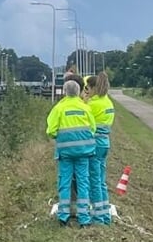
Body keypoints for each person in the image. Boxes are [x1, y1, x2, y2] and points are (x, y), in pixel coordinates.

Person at [46, 78, 96, 227]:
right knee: (83, 183)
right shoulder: (85, 108)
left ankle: (63, 216)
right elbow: (92, 129)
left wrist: (60, 136)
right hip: (83, 152)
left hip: (66, 153)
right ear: (79, 91)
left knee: (65, 183)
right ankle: (84, 218)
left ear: (65, 92)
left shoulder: (59, 108)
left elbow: (51, 130)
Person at [86, 72, 115, 225]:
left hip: (94, 143)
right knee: (102, 181)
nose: (86, 91)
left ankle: (97, 217)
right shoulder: (108, 102)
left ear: (94, 88)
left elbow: (85, 122)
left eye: (87, 88)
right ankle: (105, 215)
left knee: (94, 181)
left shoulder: (93, 104)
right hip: (104, 142)